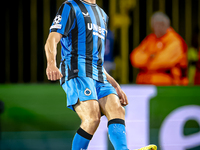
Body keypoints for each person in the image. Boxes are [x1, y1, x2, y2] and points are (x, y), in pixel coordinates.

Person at [45, 0, 157, 150]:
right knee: (92, 117)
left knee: (117, 109)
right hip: (76, 69)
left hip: (98, 72)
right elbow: (52, 38)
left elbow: (97, 58)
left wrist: (115, 85)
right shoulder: (70, 7)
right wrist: (51, 63)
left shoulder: (102, 14)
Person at [130, 12, 188, 86]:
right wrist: (150, 56)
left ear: (164, 25)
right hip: (146, 84)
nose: (154, 28)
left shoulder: (175, 41)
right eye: (153, 25)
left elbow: (163, 62)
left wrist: (146, 63)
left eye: (157, 25)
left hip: (169, 86)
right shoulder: (150, 39)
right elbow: (135, 58)